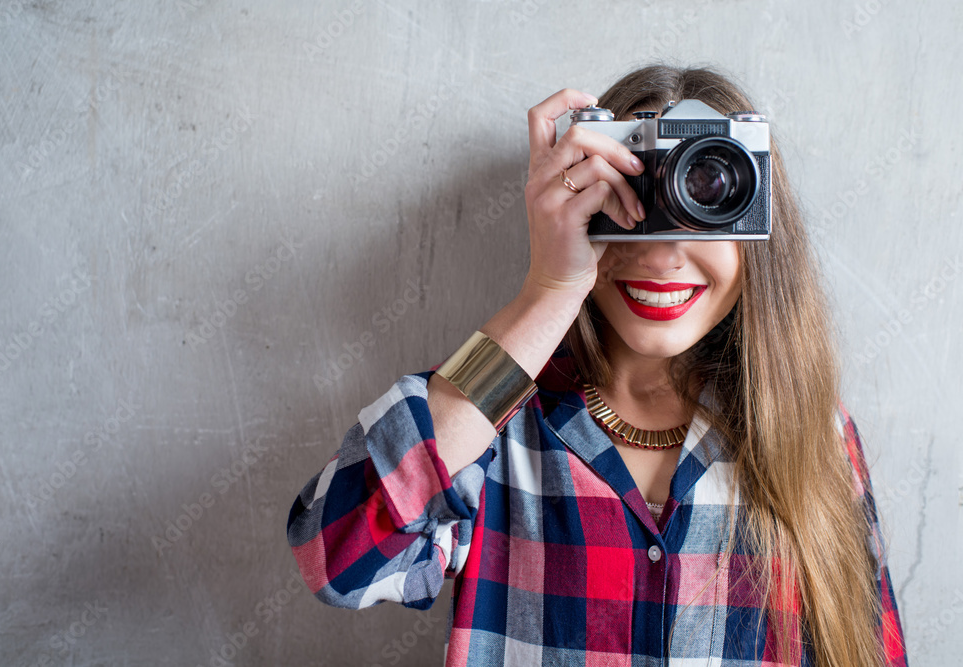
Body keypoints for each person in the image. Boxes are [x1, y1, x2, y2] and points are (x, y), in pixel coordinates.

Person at [287, 65, 908, 666]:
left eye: (706, 192)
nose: (664, 254)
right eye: (628, 199)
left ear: (759, 229)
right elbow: (337, 558)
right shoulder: (491, 432)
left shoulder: (813, 435)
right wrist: (548, 290)